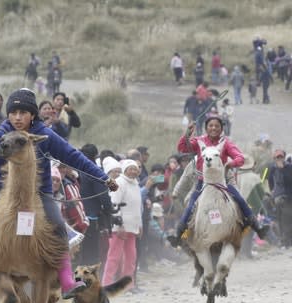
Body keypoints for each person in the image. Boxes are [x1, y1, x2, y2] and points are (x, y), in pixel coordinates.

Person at [0, 88, 118, 299]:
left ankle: (67, 283)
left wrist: (104, 178)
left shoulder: (46, 136)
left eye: (23, 112)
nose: (17, 117)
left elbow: (74, 157)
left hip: (40, 193)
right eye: (13, 112)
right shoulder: (0, 135)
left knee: (59, 228)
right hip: (4, 190)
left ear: (32, 114)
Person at [167, 115, 268, 248]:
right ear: (206, 128)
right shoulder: (198, 141)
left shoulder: (226, 143)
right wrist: (187, 134)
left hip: (224, 181)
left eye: (217, 126)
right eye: (211, 125)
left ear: (221, 128)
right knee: (191, 204)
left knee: (240, 199)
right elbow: (182, 148)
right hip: (203, 181)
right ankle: (179, 235)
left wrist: (230, 164)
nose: (213, 128)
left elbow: (240, 158)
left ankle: (257, 228)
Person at [102, 160, 142, 290]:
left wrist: (140, 225)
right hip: (120, 227)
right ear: (124, 170)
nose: (133, 171)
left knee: (131, 257)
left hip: (132, 227)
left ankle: (128, 285)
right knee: (114, 257)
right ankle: (106, 284)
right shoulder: (119, 182)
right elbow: (114, 203)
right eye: (130, 169)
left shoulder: (136, 184)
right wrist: (119, 225)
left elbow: (138, 207)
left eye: (135, 169)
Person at [267, 149, 292, 248]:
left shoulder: (289, 167)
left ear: (284, 157)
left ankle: (287, 242)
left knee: (287, 220)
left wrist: (282, 169)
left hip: (288, 197)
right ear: (274, 158)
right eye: (277, 157)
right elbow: (269, 179)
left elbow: (289, 180)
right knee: (279, 220)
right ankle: (283, 241)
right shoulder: (272, 167)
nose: (279, 159)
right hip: (277, 198)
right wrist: (272, 190)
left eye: (281, 157)